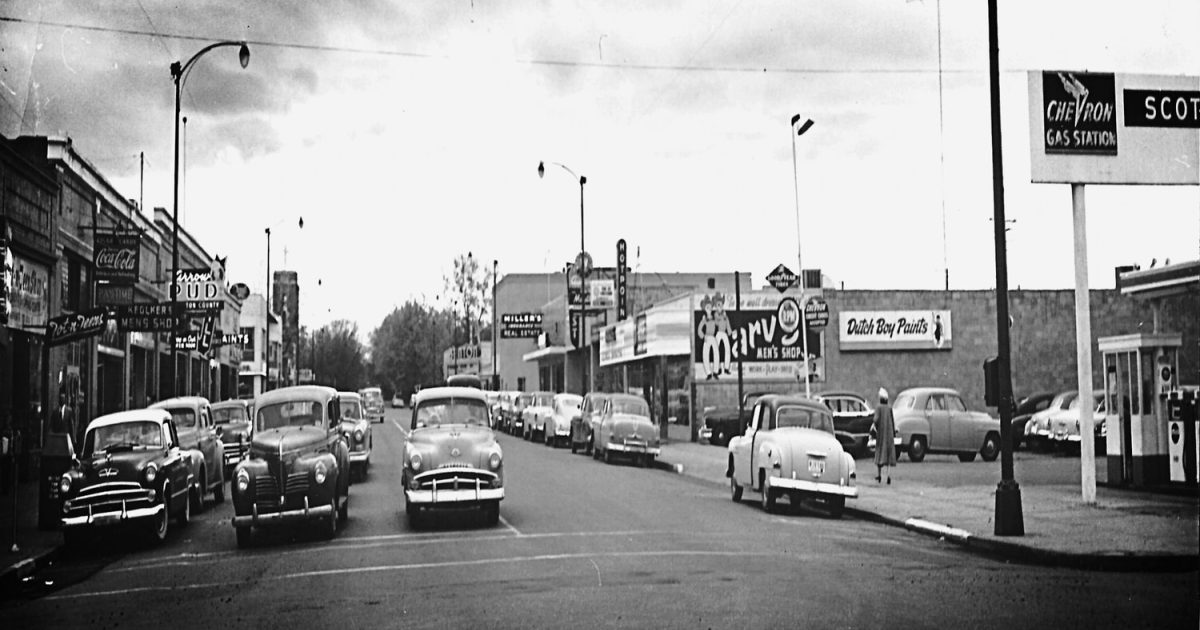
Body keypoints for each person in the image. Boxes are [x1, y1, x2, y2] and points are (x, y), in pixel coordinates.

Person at [872, 387, 897, 484]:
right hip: (889, 435)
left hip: (881, 435)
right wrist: (894, 433)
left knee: (879, 454)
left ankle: (879, 475)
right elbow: (892, 421)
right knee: (888, 455)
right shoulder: (889, 408)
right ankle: (888, 475)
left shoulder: (878, 408)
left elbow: (875, 420)